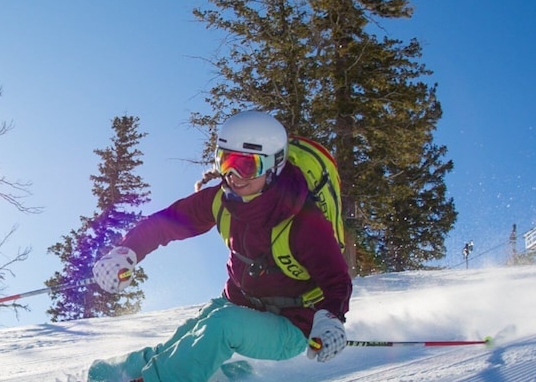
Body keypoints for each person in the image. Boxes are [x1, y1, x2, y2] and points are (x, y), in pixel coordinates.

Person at [87, 111, 352, 382]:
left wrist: (329, 318)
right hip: (237, 304)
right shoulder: (222, 200)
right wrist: (126, 251)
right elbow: (165, 223)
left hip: (292, 324)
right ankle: (134, 371)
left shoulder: (304, 223)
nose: (234, 176)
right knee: (191, 335)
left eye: (247, 166)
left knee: (221, 328)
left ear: (274, 166)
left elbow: (337, 281)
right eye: (226, 162)